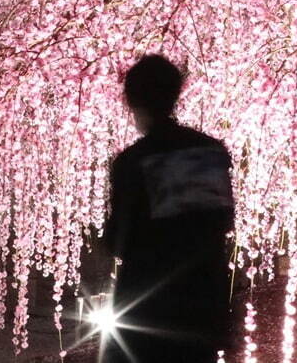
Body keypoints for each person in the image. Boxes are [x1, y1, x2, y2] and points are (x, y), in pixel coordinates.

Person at [103, 55, 235, 363]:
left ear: (133, 101)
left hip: (147, 315)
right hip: (203, 307)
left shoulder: (133, 162)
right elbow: (224, 220)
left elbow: (118, 241)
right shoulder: (210, 152)